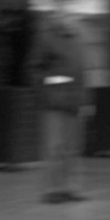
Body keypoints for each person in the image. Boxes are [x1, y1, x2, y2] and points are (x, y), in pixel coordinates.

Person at [26, 11, 90, 204]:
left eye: (74, 16)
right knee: (54, 147)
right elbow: (34, 68)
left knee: (72, 148)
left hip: (73, 102)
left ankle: (70, 188)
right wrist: (48, 89)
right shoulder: (47, 38)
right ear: (58, 18)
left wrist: (84, 101)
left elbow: (81, 75)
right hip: (53, 103)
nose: (71, 19)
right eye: (67, 15)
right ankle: (52, 189)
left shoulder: (77, 41)